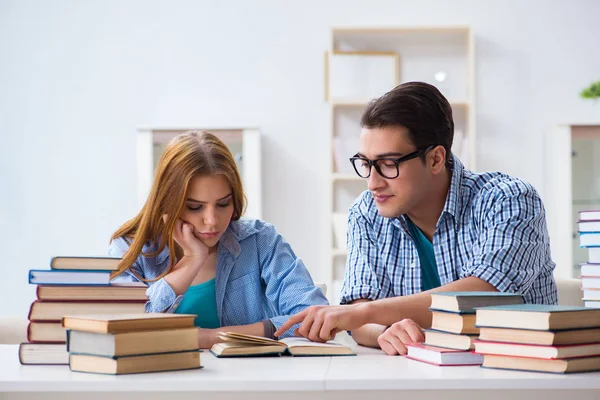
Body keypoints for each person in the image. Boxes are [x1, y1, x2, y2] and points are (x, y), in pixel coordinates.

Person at [276, 82, 557, 355]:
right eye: (366, 164)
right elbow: (361, 320)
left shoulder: (509, 199)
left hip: (518, 375)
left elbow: (486, 293)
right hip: (418, 377)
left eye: (388, 164)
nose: (372, 183)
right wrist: (384, 332)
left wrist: (365, 313)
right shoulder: (366, 213)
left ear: (435, 159)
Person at [108, 131, 328, 348]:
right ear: (167, 202)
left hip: (246, 379)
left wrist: (216, 337)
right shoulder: (128, 249)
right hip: (154, 381)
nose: (212, 221)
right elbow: (118, 328)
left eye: (223, 204)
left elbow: (315, 316)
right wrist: (191, 261)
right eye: (195, 207)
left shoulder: (260, 241)